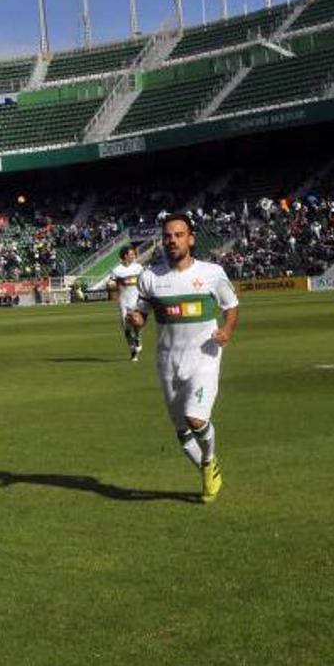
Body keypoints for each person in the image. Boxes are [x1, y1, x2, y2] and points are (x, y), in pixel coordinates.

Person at [127, 213, 239, 503]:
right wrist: (136, 320)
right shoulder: (150, 278)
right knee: (182, 432)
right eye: (167, 236)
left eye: (178, 235)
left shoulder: (212, 273)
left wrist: (226, 330)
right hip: (168, 361)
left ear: (191, 238)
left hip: (205, 356)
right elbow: (142, 314)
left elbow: (231, 306)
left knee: (196, 418)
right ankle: (208, 468)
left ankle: (209, 459)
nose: (172, 240)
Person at [109, 244, 144, 360]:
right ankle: (132, 349)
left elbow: (144, 281)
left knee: (136, 323)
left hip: (136, 300)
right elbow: (111, 282)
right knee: (126, 327)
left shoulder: (138, 268)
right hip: (124, 301)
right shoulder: (117, 270)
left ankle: (137, 338)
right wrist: (111, 284)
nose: (133, 256)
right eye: (131, 254)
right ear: (125, 256)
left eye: (134, 254)